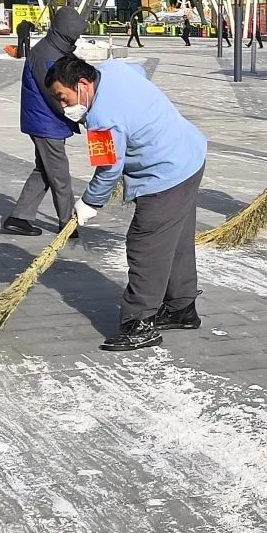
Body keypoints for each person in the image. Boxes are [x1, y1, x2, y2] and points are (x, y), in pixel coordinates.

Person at [46, 54, 208, 352]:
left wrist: (89, 203)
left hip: (165, 173)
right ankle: (180, 308)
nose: (63, 107)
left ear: (82, 84)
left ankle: (139, 322)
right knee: (176, 240)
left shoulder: (101, 120)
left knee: (145, 244)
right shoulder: (111, 70)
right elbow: (139, 70)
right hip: (190, 154)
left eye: (63, 98)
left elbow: (109, 168)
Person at [1, 6, 83, 237]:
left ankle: (19, 217)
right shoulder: (48, 55)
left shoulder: (54, 49)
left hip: (45, 121)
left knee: (44, 171)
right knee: (60, 175)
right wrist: (80, 112)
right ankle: (68, 224)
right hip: (46, 123)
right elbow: (56, 96)